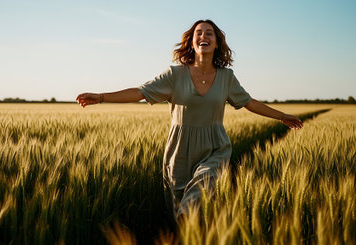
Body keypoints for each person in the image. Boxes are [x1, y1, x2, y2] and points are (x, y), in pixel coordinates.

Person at [76, 19, 303, 220]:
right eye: (198, 33)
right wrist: (102, 97)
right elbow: (140, 92)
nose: (203, 36)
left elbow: (249, 102)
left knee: (194, 200)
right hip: (179, 150)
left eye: (209, 33)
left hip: (214, 147)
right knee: (179, 214)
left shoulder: (226, 77)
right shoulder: (175, 75)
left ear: (217, 43)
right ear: (192, 42)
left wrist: (282, 116)